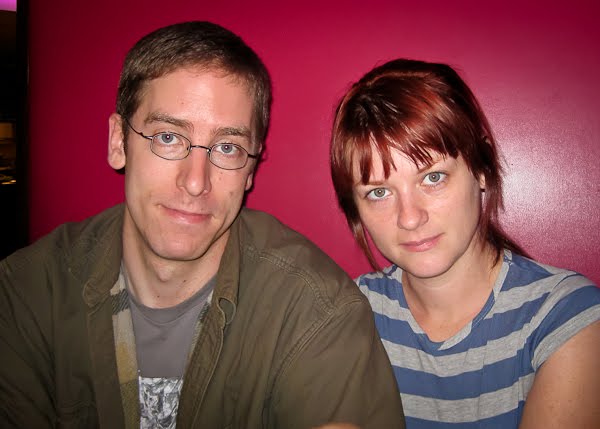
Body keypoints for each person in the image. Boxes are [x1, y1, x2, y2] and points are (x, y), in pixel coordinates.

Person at [0, 22, 405, 428]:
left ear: (250, 170)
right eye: (168, 137)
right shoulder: (27, 293)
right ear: (119, 141)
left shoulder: (314, 311)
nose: (195, 182)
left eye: (227, 147)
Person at [330, 58, 600, 428]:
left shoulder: (565, 316)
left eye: (433, 177)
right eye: (379, 192)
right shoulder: (347, 314)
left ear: (481, 170)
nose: (410, 217)